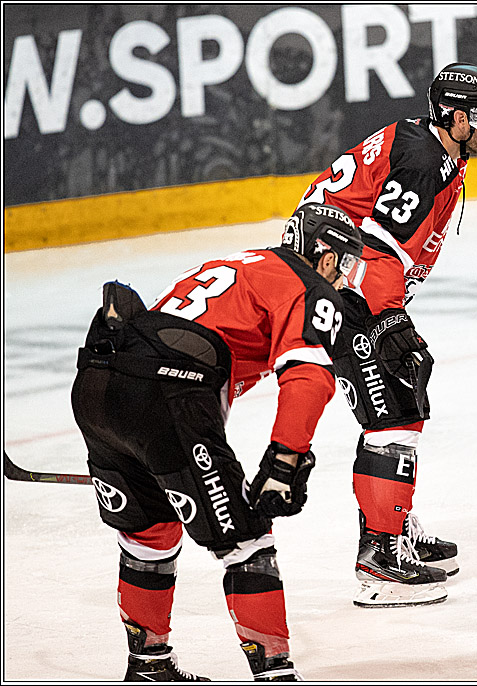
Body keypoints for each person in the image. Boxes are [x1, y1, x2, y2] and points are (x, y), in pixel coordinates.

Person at [70, 204, 365, 679]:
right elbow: (309, 374)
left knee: (150, 534)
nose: (346, 279)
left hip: (95, 385)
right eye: (345, 263)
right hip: (164, 394)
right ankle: (274, 673)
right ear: (324, 255)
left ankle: (149, 667)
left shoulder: (236, 265)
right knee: (246, 539)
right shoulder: (306, 286)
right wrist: (285, 458)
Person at [295, 63, 477, 607]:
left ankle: (393, 528)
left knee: (392, 408)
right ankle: (381, 556)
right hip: (345, 291)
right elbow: (374, 246)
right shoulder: (423, 159)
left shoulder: (430, 147)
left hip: (340, 283)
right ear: (458, 116)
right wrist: (388, 319)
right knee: (396, 410)